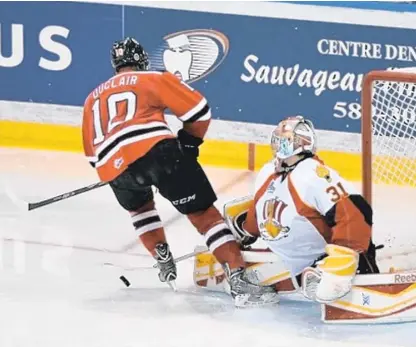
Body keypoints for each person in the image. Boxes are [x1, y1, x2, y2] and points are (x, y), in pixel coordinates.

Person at [81, 37, 278, 307]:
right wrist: (189, 141)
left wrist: (119, 171)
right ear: (141, 60)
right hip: (158, 153)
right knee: (204, 215)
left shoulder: (92, 98)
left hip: (112, 167)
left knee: (140, 209)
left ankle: (162, 257)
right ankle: (239, 282)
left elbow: (92, 155)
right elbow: (199, 110)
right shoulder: (151, 78)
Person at [202, 115, 380, 304]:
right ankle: (301, 277)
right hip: (295, 264)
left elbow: (355, 212)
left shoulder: (313, 174)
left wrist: (342, 263)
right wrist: (244, 229)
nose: (279, 146)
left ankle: (355, 268)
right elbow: (257, 217)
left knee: (330, 276)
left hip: (323, 261)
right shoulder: (268, 172)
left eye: (285, 141)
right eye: (278, 140)